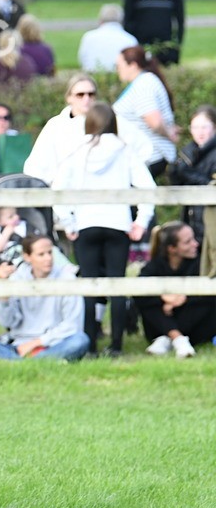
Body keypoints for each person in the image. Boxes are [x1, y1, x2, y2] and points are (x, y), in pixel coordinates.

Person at [52, 102, 156, 356]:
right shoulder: (125, 151)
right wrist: (141, 221)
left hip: (86, 224)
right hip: (117, 224)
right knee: (117, 286)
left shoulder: (77, 152)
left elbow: (58, 189)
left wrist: (68, 222)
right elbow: (147, 187)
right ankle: (117, 345)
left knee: (88, 287)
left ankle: (89, 344)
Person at [0, 235, 90, 361]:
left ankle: (17, 362)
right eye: (41, 254)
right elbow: (7, 322)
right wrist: (3, 289)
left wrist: (36, 343)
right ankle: (33, 362)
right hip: (18, 344)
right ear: (27, 257)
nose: (48, 258)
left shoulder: (67, 279)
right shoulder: (17, 278)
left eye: (50, 253)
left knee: (80, 340)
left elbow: (72, 325)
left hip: (54, 344)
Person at [134, 221, 216, 357]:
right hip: (160, 325)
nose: (195, 244)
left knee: (207, 301)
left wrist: (185, 298)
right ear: (172, 249)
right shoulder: (155, 266)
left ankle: (168, 338)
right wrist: (163, 297)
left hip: (194, 328)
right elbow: (139, 291)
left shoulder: (200, 263)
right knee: (147, 301)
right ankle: (177, 338)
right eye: (188, 242)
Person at [113, 45, 177, 177]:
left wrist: (169, 134)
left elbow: (155, 122)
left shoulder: (144, 85)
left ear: (133, 65)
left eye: (119, 65)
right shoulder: (142, 82)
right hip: (143, 156)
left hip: (150, 156)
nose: (117, 70)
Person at [24, 75, 98, 183]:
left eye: (91, 94)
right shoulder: (55, 125)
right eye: (80, 95)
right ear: (69, 97)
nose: (86, 99)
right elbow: (36, 166)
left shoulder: (107, 123)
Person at [168, 105, 216, 249]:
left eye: (204, 127)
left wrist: (189, 175)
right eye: (195, 127)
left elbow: (211, 185)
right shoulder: (188, 152)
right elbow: (176, 186)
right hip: (190, 218)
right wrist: (174, 172)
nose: (199, 132)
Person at [78, 4, 138, 72]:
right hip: (119, 79)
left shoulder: (88, 37)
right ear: (122, 20)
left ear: (100, 20)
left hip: (92, 78)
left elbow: (82, 61)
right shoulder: (130, 40)